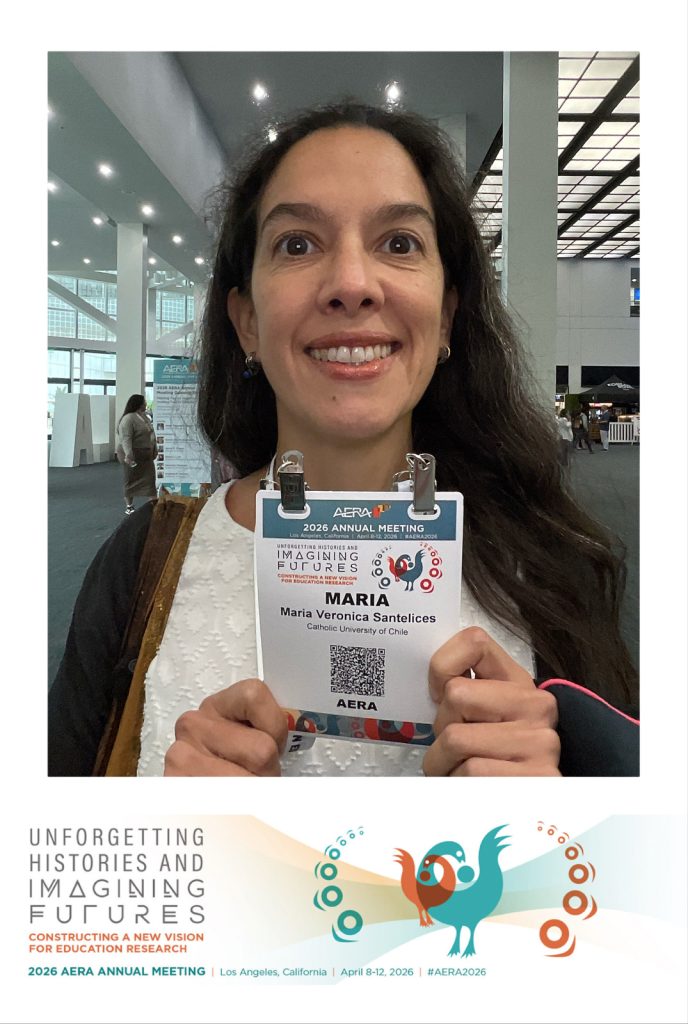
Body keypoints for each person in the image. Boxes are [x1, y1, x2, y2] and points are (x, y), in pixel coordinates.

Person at [49, 102, 638, 778]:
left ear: (446, 316)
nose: (352, 285)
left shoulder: (549, 567)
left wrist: (564, 818)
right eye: (298, 244)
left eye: (400, 243)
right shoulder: (143, 564)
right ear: (246, 322)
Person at [116, 394, 158, 514]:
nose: (146, 404)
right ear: (139, 404)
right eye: (144, 402)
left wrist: (154, 449)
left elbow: (151, 435)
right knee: (130, 480)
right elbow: (126, 438)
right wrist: (129, 454)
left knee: (150, 481)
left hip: (145, 455)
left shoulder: (144, 417)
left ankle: (153, 506)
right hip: (132, 455)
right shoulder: (128, 419)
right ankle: (129, 506)